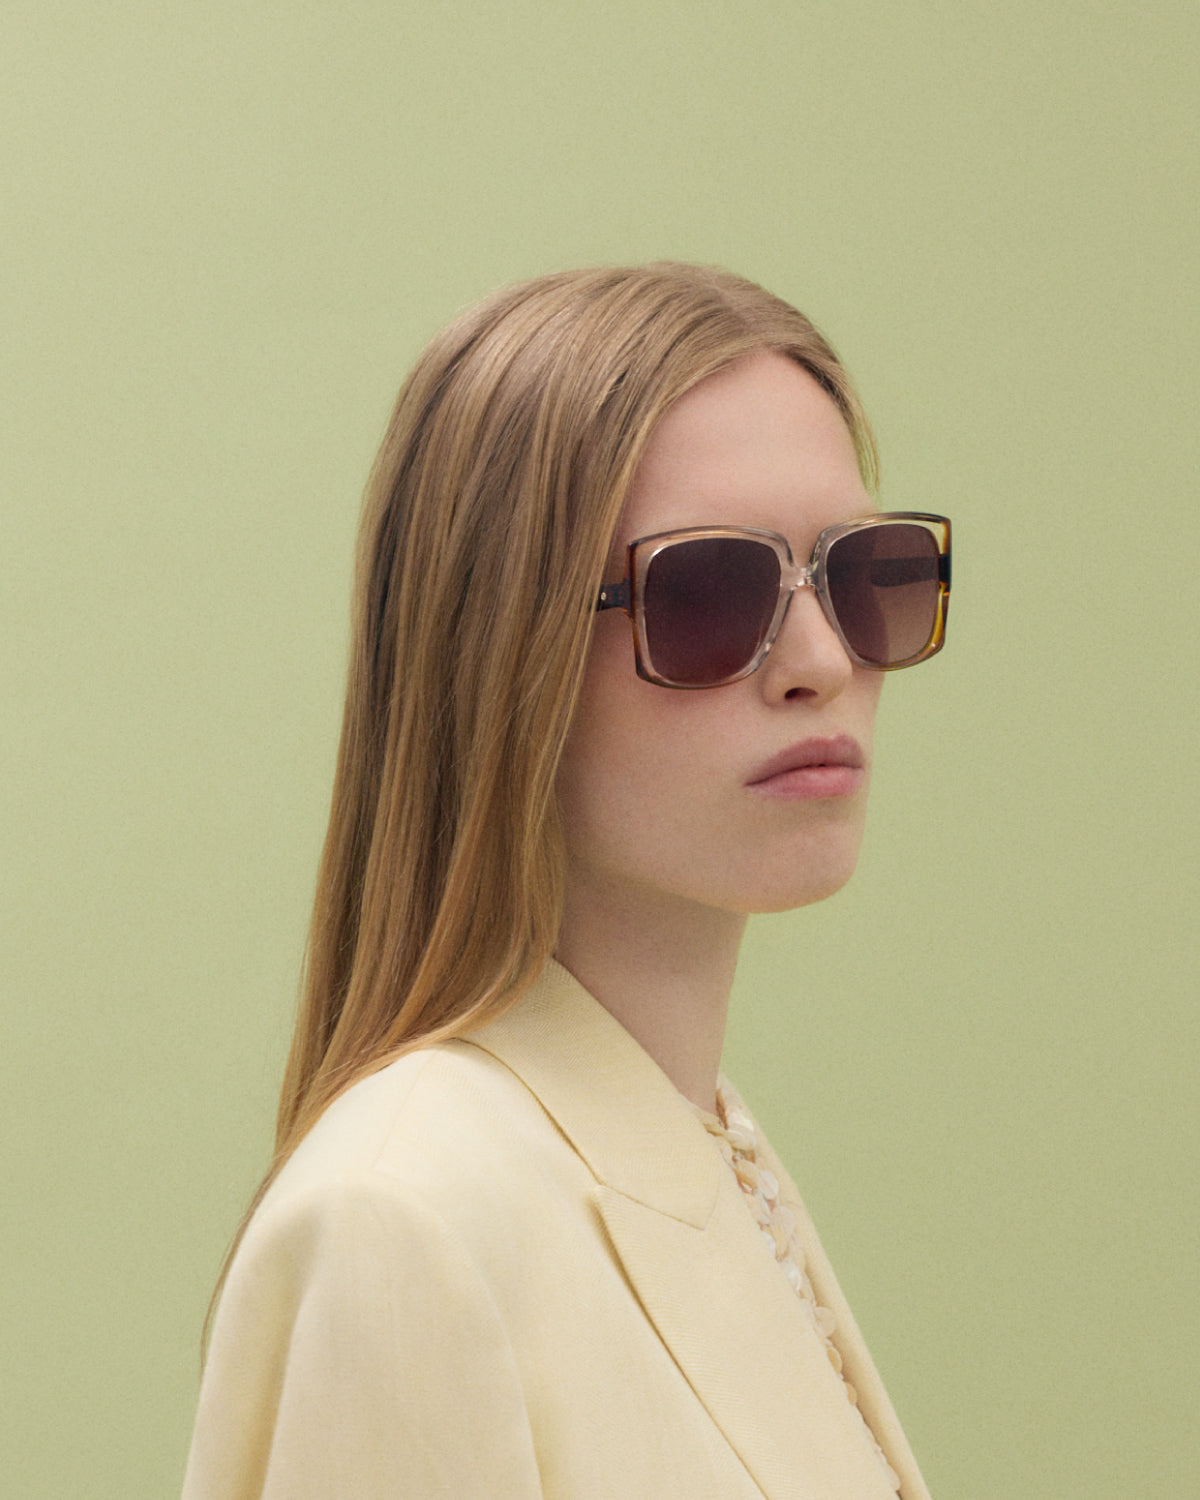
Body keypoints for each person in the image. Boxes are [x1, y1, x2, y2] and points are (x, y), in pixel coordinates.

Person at [182, 263, 950, 1499]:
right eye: (707, 591)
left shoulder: (704, 1144)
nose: (819, 660)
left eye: (867, 573)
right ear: (503, 648)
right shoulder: (408, 1223)